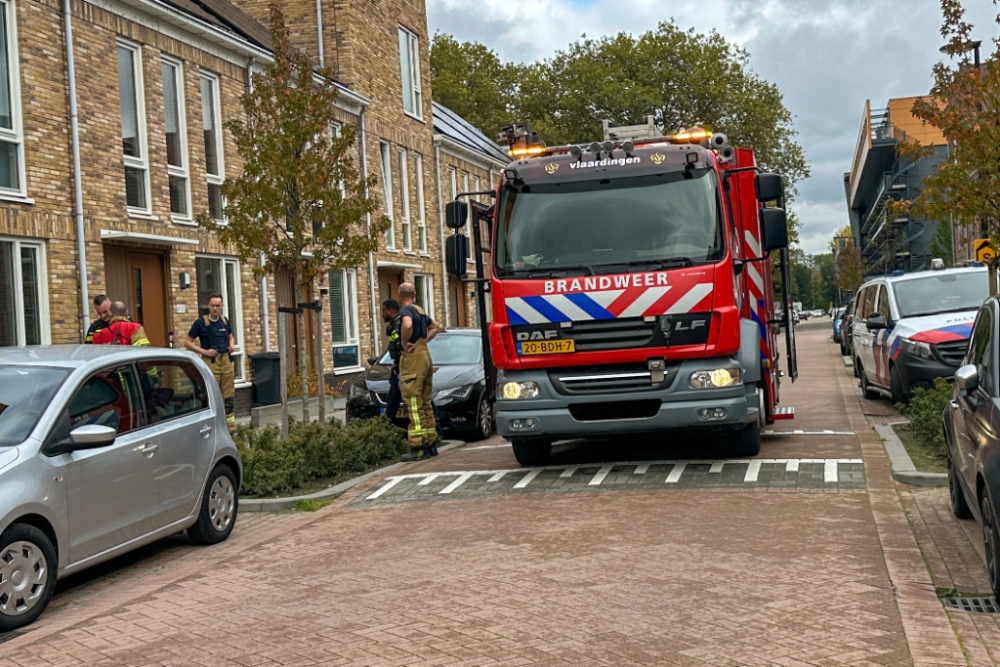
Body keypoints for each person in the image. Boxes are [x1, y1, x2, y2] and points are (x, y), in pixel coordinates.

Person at [397, 282, 439, 461]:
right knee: (425, 401)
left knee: (413, 401)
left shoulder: (406, 311)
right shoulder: (420, 311)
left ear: (400, 295)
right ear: (414, 295)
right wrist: (423, 341)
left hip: (413, 358)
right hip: (425, 356)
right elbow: (435, 326)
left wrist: (405, 344)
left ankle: (418, 446)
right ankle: (431, 443)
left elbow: (406, 326)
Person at [185, 294, 236, 432]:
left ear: (222, 306)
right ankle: (213, 426)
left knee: (228, 395)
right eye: (212, 305)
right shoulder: (200, 323)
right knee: (212, 394)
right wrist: (204, 351)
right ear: (208, 306)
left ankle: (230, 428)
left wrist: (232, 345)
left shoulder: (225, 321)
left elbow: (231, 338)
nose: (215, 308)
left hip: (225, 361)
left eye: (218, 305)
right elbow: (187, 342)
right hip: (210, 362)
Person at [380, 299, 404, 425]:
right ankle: (387, 426)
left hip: (404, 370)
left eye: (383, 311)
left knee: (417, 400)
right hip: (398, 369)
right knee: (393, 402)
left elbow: (402, 348)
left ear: (390, 311)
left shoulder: (399, 324)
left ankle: (387, 426)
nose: (382, 314)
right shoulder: (393, 325)